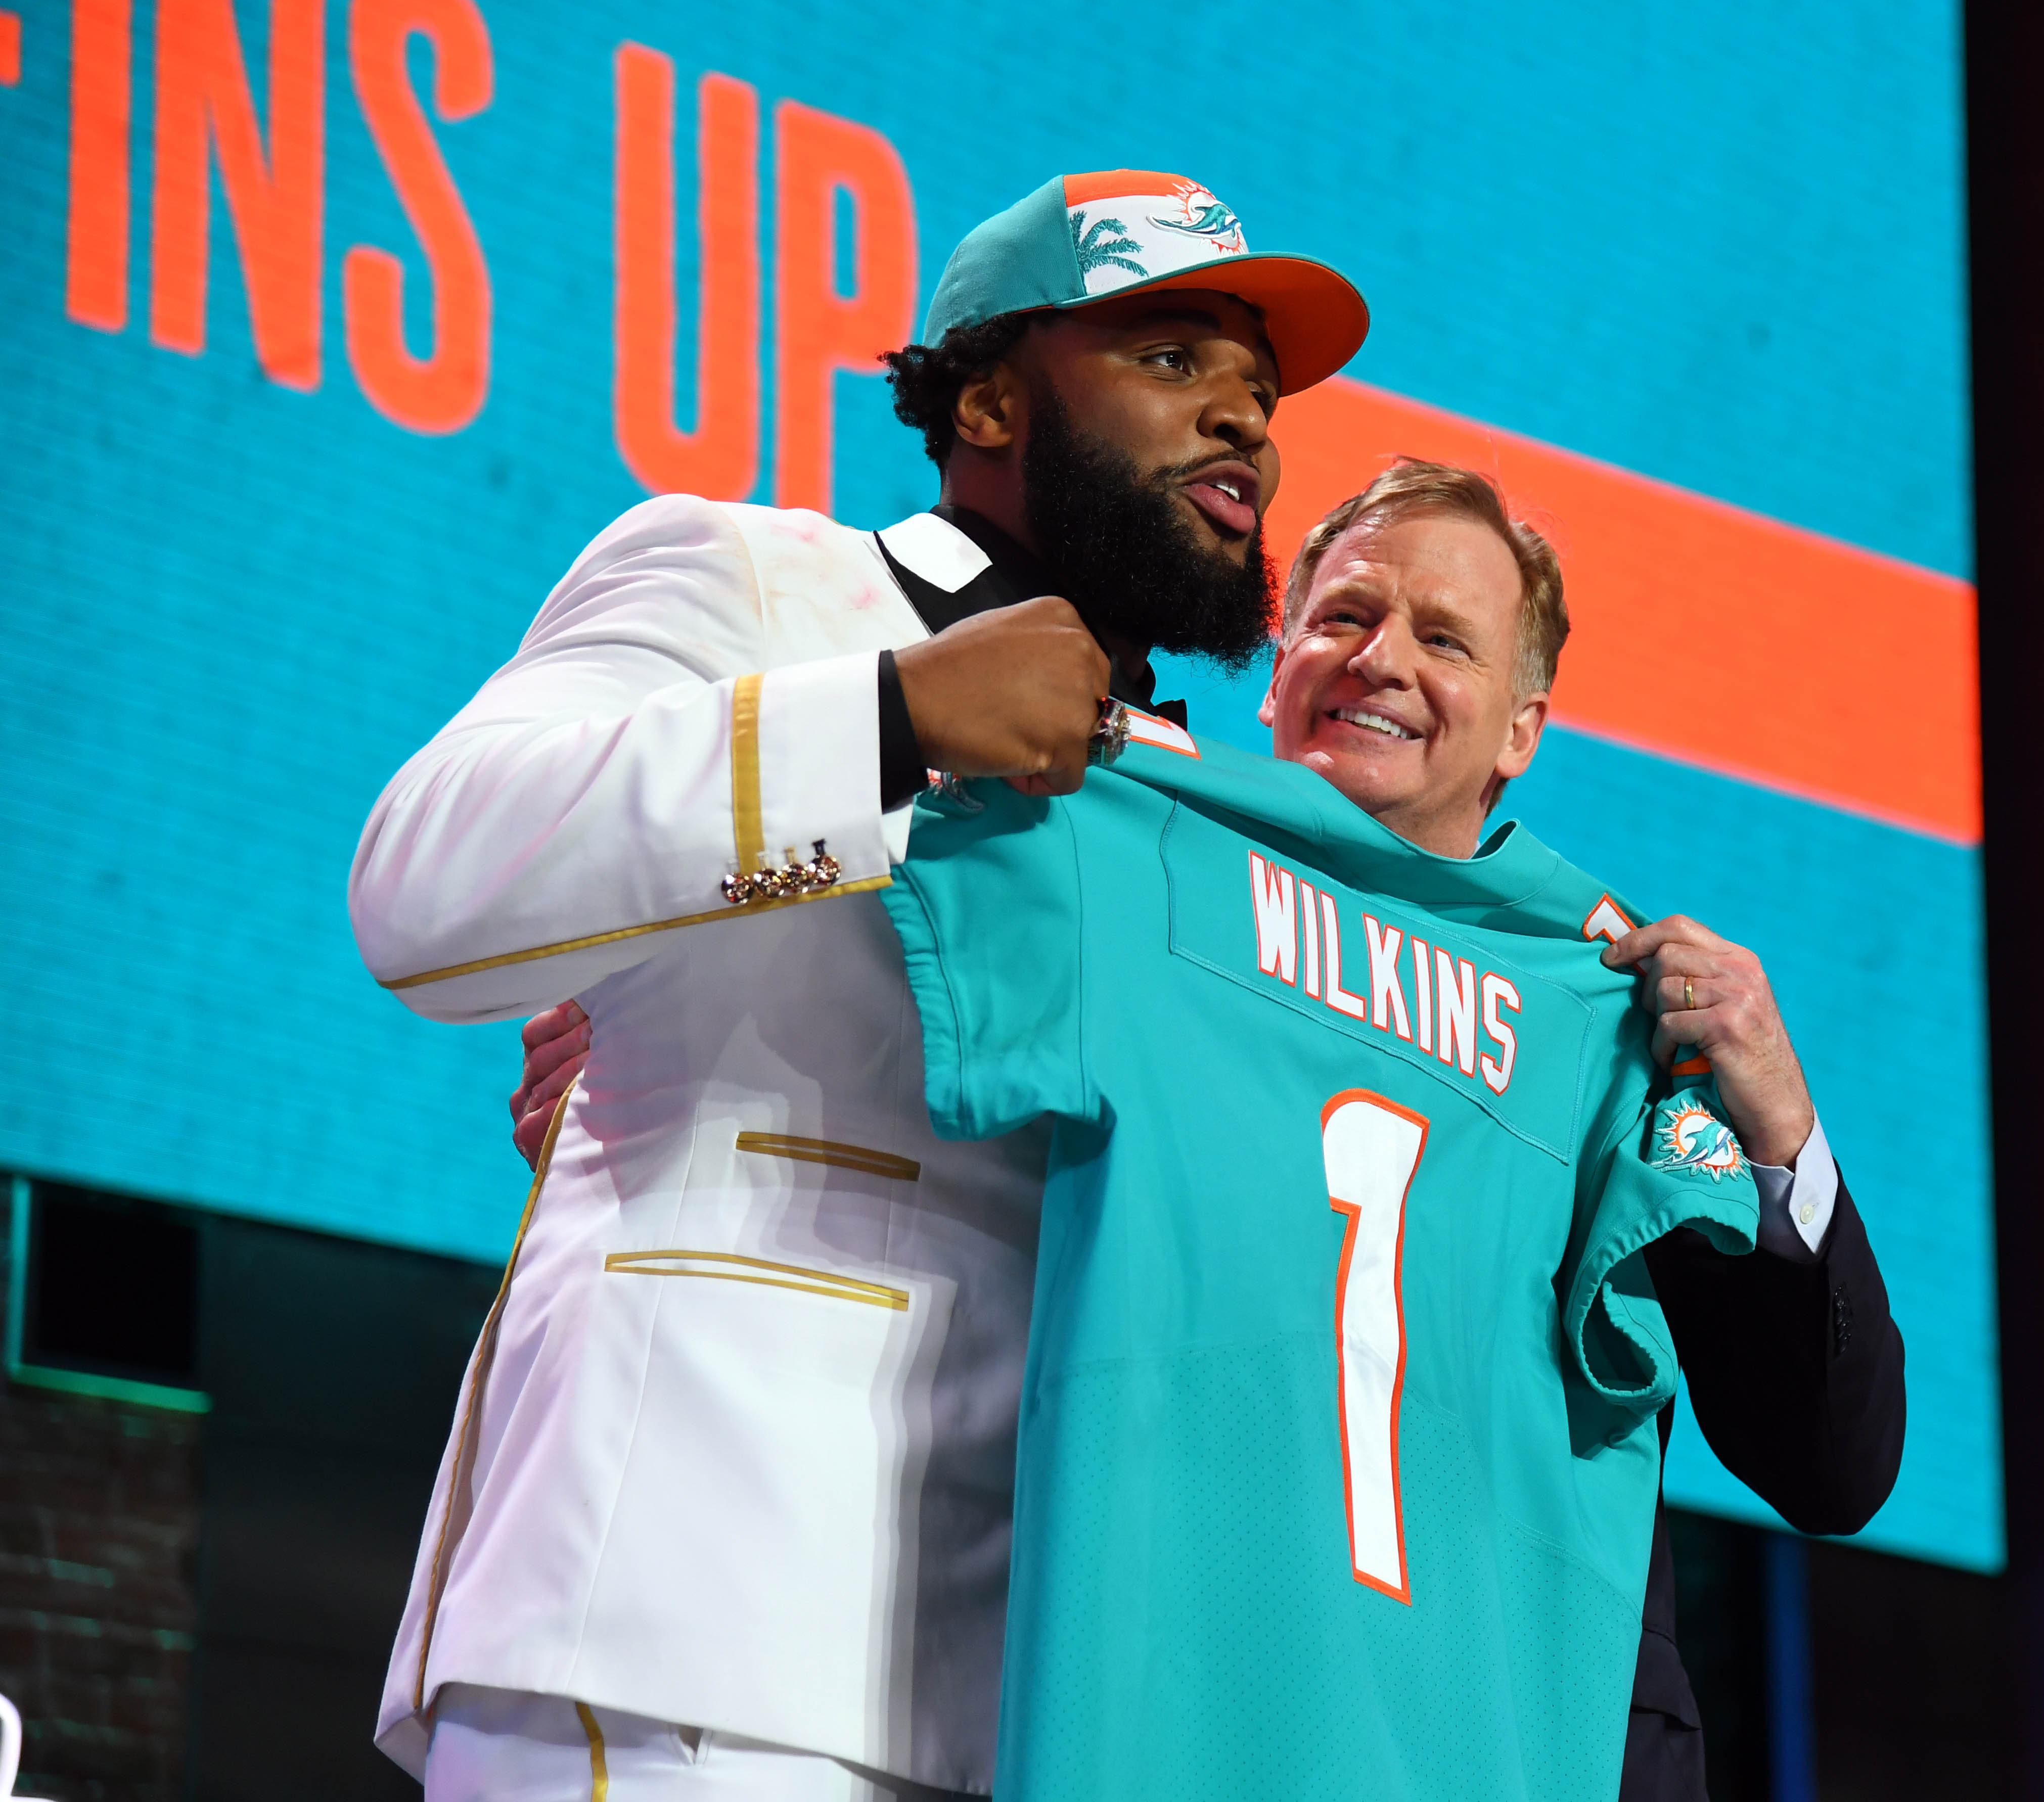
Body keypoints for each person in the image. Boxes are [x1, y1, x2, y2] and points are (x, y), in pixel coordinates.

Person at [508, 457, 1908, 1798]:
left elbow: (1831, 1467)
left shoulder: (1610, 1007)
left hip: (1521, 1729)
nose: (1382, 662)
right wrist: (675, 1036)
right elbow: (866, 1006)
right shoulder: (1151, 874)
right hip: (1190, 1682)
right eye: (1345, 617)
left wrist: (1776, 1127)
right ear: (1280, 656)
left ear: (1525, 727)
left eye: (1445, 639)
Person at [351, 170, 1366, 1802]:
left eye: (1257, 400)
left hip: (1054, 1695)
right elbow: (425, 890)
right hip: (692, 1631)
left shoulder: (1206, 807)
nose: (1239, 427)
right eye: (1176, 364)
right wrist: (888, 723)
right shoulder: (756, 582)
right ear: (986, 395)